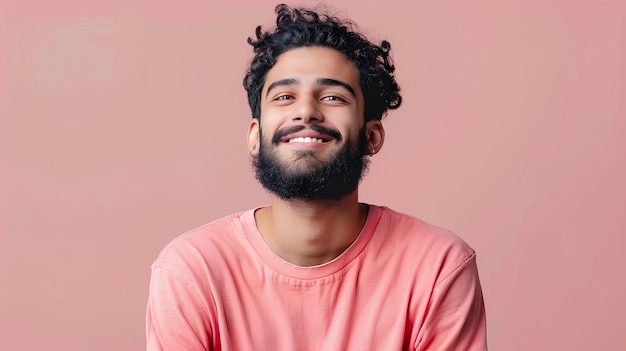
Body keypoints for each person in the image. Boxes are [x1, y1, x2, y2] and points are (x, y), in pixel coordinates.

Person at [146, 4, 487, 350]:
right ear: (254, 135)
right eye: (284, 97)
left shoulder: (437, 267)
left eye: (332, 97)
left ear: (371, 136)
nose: (306, 110)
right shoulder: (192, 271)